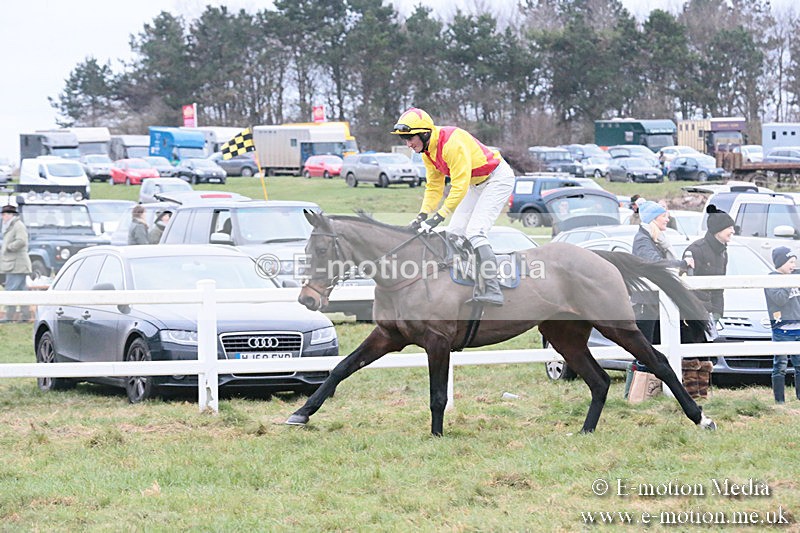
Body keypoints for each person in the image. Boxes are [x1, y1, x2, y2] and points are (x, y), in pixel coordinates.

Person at [391, 107, 515, 306]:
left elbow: (459, 185)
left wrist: (440, 215)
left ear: (424, 133)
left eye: (410, 138)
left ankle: (493, 288)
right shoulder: (427, 152)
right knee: (455, 232)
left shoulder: (451, 144)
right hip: (476, 183)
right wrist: (423, 214)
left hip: (497, 179)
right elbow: (434, 186)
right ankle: (470, 281)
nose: (408, 144)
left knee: (475, 232)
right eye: (404, 140)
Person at [631, 200, 694, 344]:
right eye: (664, 216)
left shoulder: (655, 239)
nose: (668, 219)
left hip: (653, 301)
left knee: (655, 345)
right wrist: (682, 264)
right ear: (654, 219)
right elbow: (655, 263)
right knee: (647, 347)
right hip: (645, 303)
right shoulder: (643, 240)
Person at [763, 246, 800, 404]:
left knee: (799, 365)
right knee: (780, 365)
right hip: (781, 329)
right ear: (780, 263)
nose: (793, 265)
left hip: (798, 327)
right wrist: (788, 283)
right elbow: (779, 300)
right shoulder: (773, 280)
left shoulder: (795, 277)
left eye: (794, 262)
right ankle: (779, 400)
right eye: (790, 262)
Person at [0, 204, 33, 322]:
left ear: (10, 215)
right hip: (14, 265)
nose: (3, 217)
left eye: (4, 214)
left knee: (11, 290)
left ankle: (9, 317)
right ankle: (25, 316)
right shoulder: (11, 226)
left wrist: (9, 247)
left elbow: (21, 241)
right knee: (21, 291)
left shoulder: (18, 226)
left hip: (16, 265)